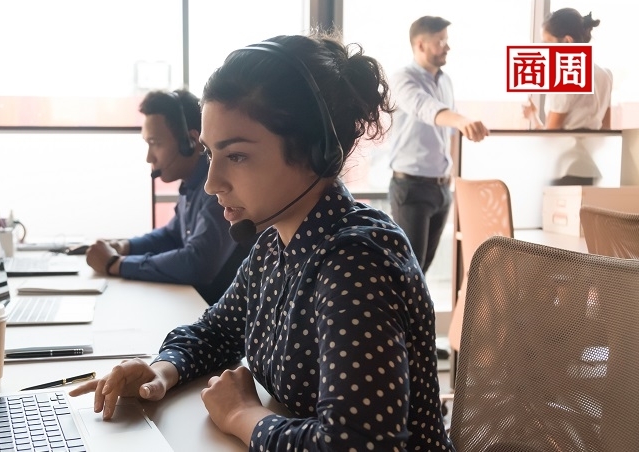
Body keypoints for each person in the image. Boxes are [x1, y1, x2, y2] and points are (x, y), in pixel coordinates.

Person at [71, 33, 454, 451]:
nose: (213, 182)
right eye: (209, 154)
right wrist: (162, 370)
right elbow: (216, 331)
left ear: (315, 150)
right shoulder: (274, 243)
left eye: (235, 155)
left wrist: (242, 416)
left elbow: (358, 443)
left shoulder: (357, 261)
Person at [85, 89, 250, 305]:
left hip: (220, 321)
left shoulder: (217, 191)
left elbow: (197, 263)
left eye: (156, 143)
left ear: (190, 142)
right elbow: (171, 235)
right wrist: (125, 246)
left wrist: (117, 264)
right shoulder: (190, 186)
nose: (149, 157)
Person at [388, 16, 489, 273]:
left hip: (441, 188)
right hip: (411, 187)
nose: (447, 47)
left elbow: (449, 131)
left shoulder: (445, 81)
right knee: (408, 271)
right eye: (440, 41)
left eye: (446, 40)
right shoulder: (403, 78)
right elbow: (426, 108)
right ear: (420, 45)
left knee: (424, 270)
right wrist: (462, 120)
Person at [522, 8, 613, 132]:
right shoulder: (605, 75)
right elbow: (606, 129)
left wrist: (532, 116)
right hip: (591, 151)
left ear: (568, 41)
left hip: (565, 151)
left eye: (547, 43)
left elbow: (550, 137)